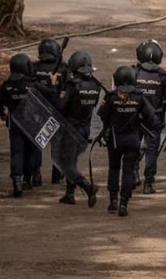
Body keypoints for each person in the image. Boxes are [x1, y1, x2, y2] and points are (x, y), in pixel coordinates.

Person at [0, 54, 58, 197]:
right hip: (32, 124)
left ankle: (17, 182)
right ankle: (28, 180)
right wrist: (52, 83)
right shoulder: (33, 85)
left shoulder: (7, 86)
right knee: (30, 152)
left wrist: (2, 114)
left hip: (15, 125)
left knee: (16, 153)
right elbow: (52, 96)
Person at [98, 66, 158, 217]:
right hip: (133, 139)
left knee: (114, 168)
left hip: (115, 139)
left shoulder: (110, 97)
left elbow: (103, 116)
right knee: (128, 170)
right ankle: (124, 203)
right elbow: (151, 116)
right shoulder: (138, 96)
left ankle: (113, 201)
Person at [132, 40, 166, 194]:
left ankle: (133, 174)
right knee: (151, 152)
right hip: (154, 120)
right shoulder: (162, 77)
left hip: (134, 118)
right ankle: (148, 182)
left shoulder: (134, 73)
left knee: (133, 147)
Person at [55, 51, 101, 207]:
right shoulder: (95, 85)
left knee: (65, 163)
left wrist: (58, 90)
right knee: (72, 161)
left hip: (71, 129)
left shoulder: (72, 86)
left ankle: (88, 186)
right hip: (85, 129)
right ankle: (69, 194)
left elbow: (61, 107)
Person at [33, 38, 68, 187]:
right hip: (57, 111)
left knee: (36, 144)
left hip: (37, 111)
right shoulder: (64, 68)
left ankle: (35, 175)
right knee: (57, 144)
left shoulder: (33, 67)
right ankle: (57, 174)